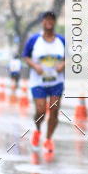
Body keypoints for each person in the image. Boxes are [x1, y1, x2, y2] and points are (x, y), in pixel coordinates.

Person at [22, 11, 66, 160]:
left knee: (54, 111)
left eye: (51, 19)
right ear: (42, 22)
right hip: (38, 82)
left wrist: (63, 65)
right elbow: (25, 56)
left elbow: (71, 57)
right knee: (41, 110)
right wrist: (35, 66)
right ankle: (37, 129)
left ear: (54, 22)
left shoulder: (61, 40)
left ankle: (48, 139)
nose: (49, 22)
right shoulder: (34, 40)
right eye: (46, 19)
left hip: (56, 82)